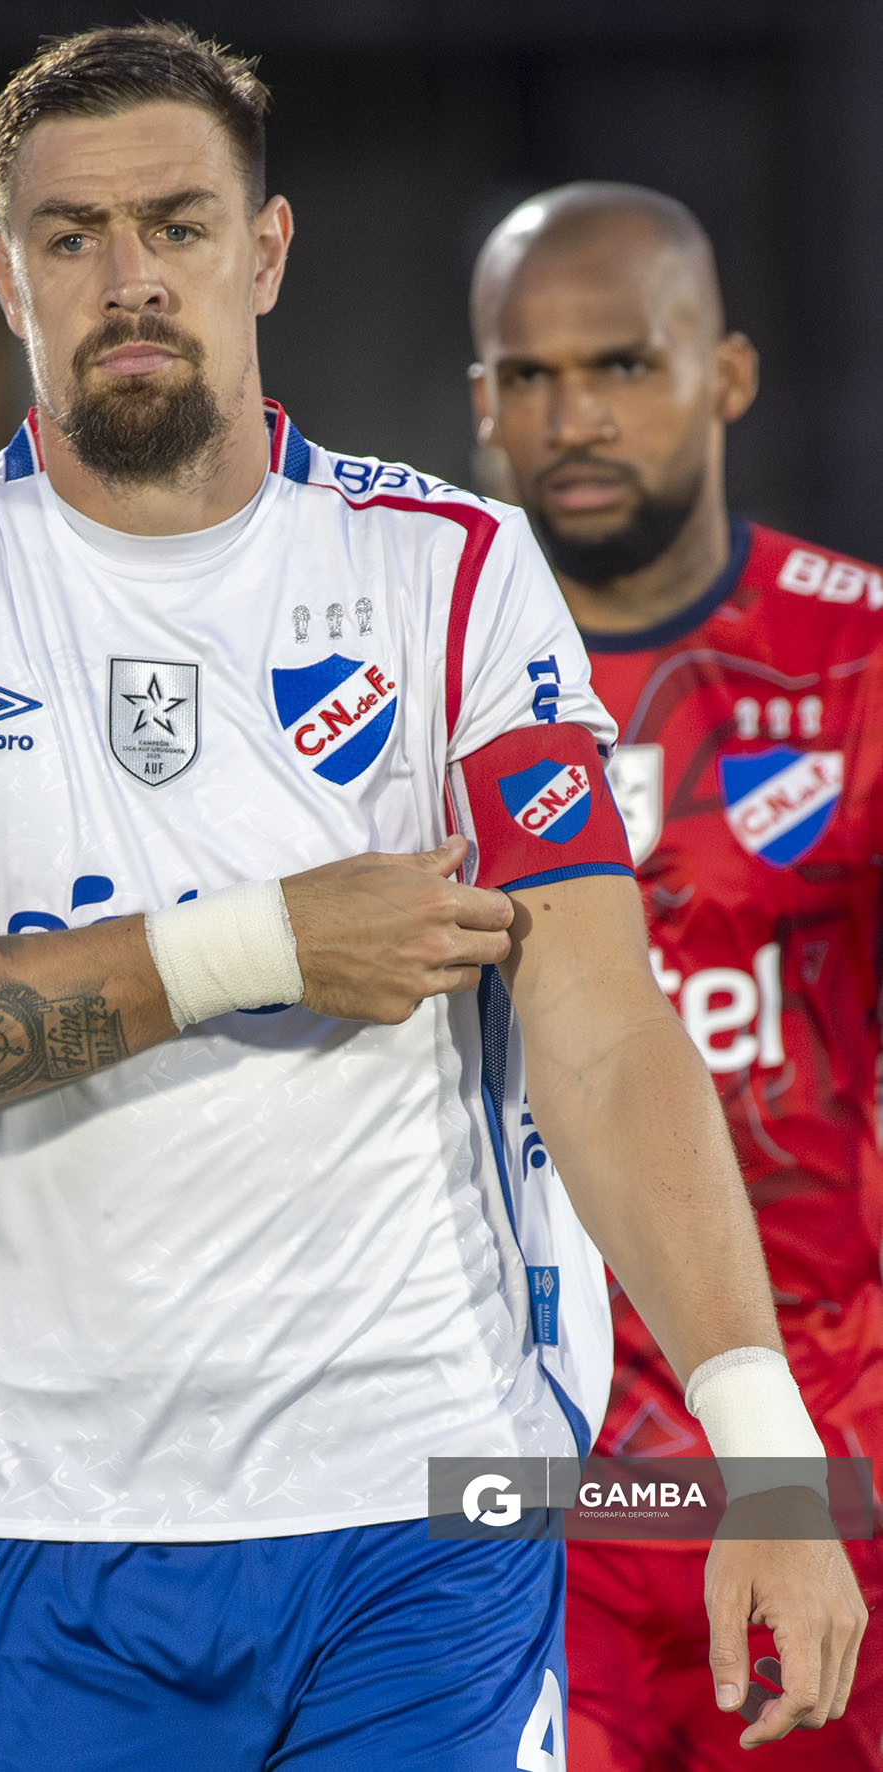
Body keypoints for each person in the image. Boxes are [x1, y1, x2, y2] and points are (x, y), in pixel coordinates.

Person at [0, 29, 863, 1771]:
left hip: (425, 1497)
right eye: (71, 237)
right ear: (0, 270)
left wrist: (760, 1449)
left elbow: (599, 1025)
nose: (127, 280)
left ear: (264, 247)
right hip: (45, 1510)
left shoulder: (452, 575)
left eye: (177, 226)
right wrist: (256, 945)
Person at [469, 180, 883, 1770]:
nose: (570, 416)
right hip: (509, 1494)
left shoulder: (851, 667)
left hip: (812, 1484)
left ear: (726, 374)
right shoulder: (418, 679)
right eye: (527, 374)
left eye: (622, 366)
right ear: (480, 399)